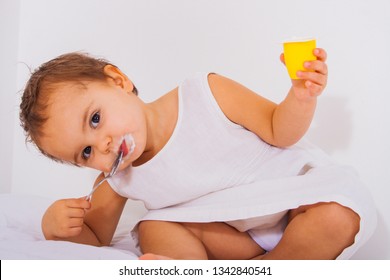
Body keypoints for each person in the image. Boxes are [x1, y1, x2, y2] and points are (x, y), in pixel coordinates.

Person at [19, 49, 376, 260]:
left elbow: (280, 131)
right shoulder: (117, 178)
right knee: (155, 227)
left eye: (95, 120)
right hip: (238, 243)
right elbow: (96, 238)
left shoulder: (204, 95)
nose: (104, 146)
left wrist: (299, 98)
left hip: (294, 203)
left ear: (118, 80)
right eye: (85, 152)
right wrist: (58, 229)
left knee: (337, 214)